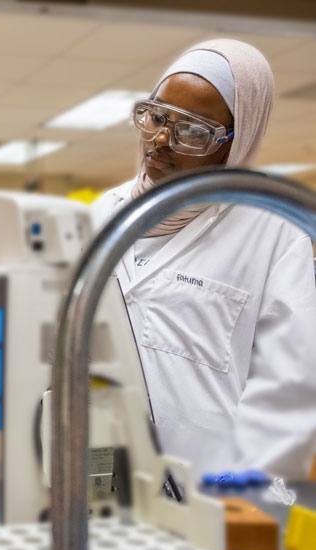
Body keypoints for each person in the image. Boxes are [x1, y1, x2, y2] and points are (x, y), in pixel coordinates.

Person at [92, 39, 316, 479]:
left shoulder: (272, 231)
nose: (160, 139)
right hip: (100, 475)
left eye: (192, 131)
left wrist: (253, 479)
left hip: (213, 484)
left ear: (237, 138)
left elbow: (291, 384)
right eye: (156, 117)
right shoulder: (98, 215)